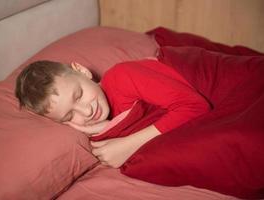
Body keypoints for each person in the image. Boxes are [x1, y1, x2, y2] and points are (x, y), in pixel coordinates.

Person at [15, 59, 210, 168]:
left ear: (82, 71)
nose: (87, 111)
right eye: (69, 116)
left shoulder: (121, 77)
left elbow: (195, 106)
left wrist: (128, 144)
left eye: (79, 94)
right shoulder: (94, 132)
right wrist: (108, 128)